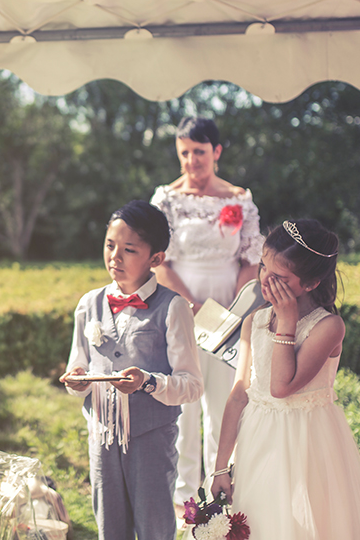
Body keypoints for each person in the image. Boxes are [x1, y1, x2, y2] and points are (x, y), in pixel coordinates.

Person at [210, 219, 360, 539]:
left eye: (280, 277)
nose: (266, 280)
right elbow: (240, 394)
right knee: (261, 521)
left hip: (307, 441)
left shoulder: (328, 327)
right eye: (263, 267)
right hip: (258, 438)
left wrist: (288, 322)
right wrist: (221, 466)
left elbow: (281, 387)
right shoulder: (254, 320)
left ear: (310, 283)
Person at [60, 200, 203, 540]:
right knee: (110, 526)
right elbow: (76, 368)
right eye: (110, 245)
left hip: (152, 438)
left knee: (154, 525)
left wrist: (149, 382)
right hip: (102, 437)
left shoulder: (174, 307)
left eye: (129, 250)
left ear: (156, 259)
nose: (115, 257)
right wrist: (76, 381)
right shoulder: (88, 304)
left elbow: (192, 384)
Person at [149, 116, 264, 508]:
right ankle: (184, 501)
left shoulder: (239, 199)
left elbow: (251, 257)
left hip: (231, 309)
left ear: (216, 152)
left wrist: (233, 311)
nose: (191, 161)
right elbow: (158, 261)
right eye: (184, 153)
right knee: (184, 406)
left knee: (224, 403)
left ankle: (223, 496)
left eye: (199, 152)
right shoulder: (165, 200)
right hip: (180, 306)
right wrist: (192, 308)